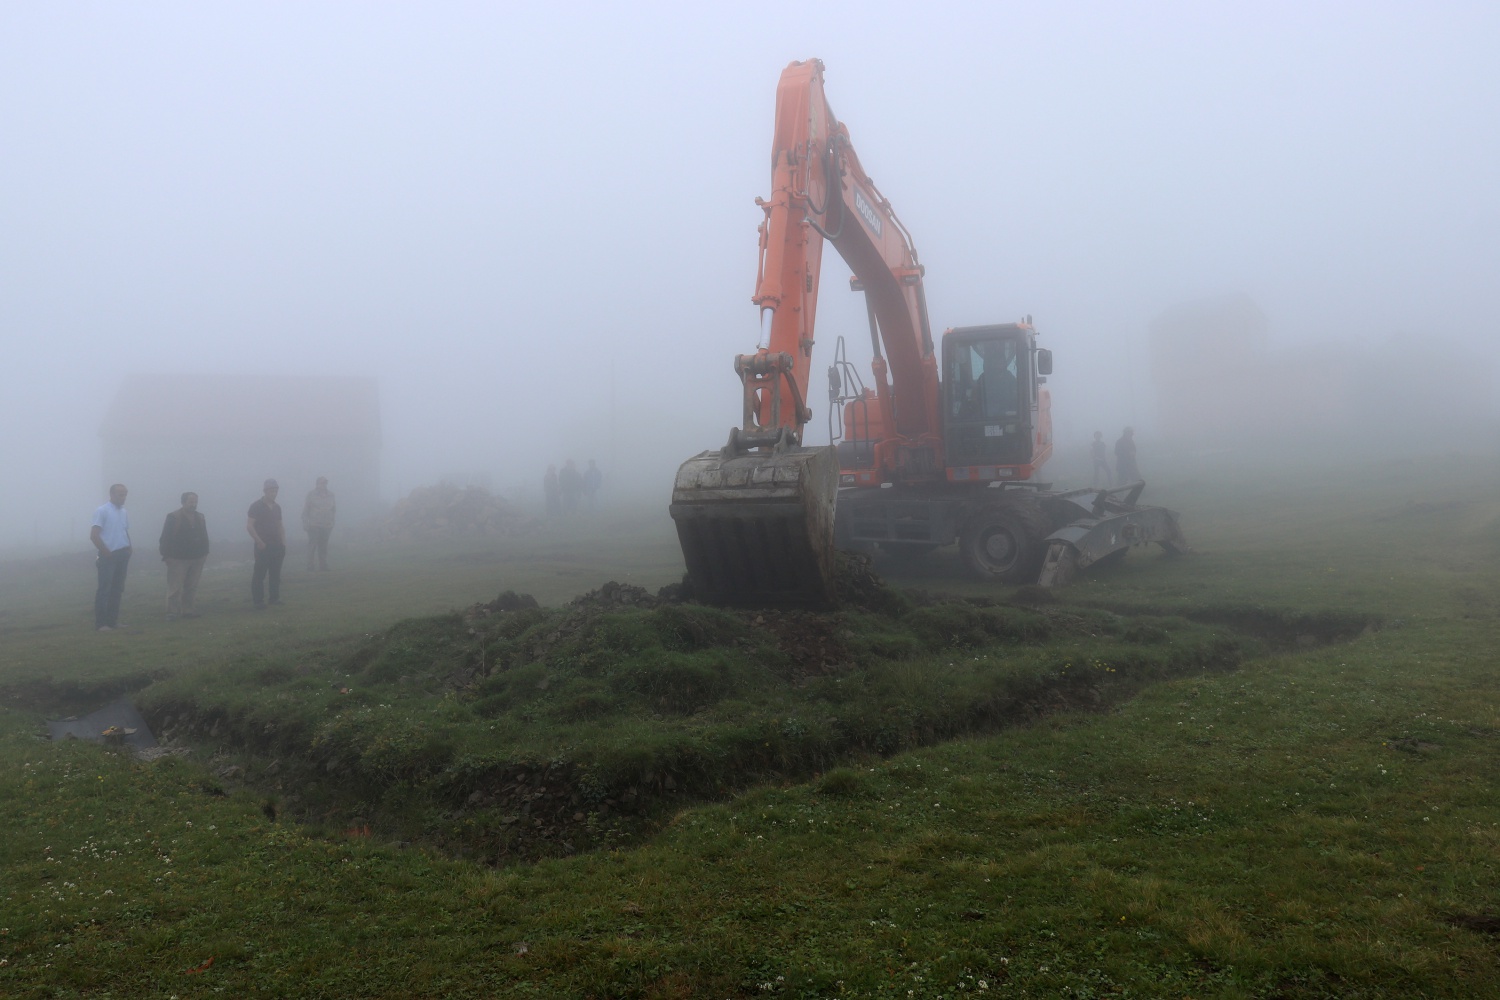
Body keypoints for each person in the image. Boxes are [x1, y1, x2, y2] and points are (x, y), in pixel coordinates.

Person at [159, 491, 209, 620]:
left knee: (192, 586)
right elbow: (165, 538)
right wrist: (166, 556)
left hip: (197, 557)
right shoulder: (173, 517)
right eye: (191, 502)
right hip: (177, 559)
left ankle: (188, 610)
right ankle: (172, 612)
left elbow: (205, 536)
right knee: (175, 586)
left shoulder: (201, 517)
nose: (193, 504)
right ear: (183, 502)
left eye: (195, 502)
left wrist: (205, 553)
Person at [90, 483, 132, 631]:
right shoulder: (102, 511)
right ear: (112, 495)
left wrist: (129, 547)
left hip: (122, 554)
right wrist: (106, 553)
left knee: (117, 589)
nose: (124, 497)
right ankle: (101, 624)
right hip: (109, 556)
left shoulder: (124, 512)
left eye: (125, 494)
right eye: (121, 494)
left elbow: (124, 531)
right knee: (104, 590)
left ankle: (113, 621)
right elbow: (94, 535)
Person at [247, 478, 286, 609]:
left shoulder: (277, 507)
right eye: (271, 491)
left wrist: (283, 543)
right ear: (265, 491)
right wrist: (259, 541)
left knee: (275, 574)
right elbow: (249, 526)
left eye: (275, 491)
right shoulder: (256, 506)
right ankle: (258, 601)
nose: (273, 493)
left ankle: (274, 598)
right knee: (259, 574)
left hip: (277, 545)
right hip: (263, 545)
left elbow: (280, 525)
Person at [301, 476, 337, 571]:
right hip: (314, 524)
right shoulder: (311, 495)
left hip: (327, 525)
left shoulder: (331, 495)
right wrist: (305, 522)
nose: (324, 485)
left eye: (325, 483)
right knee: (312, 545)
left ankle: (323, 565)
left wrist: (332, 521)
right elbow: (306, 510)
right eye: (322, 483)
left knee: (323, 546)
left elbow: (333, 509)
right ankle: (310, 565)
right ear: (317, 484)